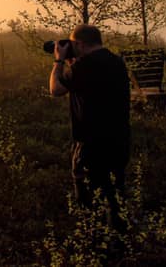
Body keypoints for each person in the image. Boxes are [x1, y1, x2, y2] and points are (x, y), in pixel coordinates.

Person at [49, 24, 130, 228]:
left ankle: (92, 239)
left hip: (91, 143)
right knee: (114, 196)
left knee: (87, 199)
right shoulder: (117, 62)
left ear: (80, 44)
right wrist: (72, 60)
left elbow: (56, 89)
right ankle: (118, 242)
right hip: (119, 140)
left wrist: (59, 60)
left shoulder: (84, 67)